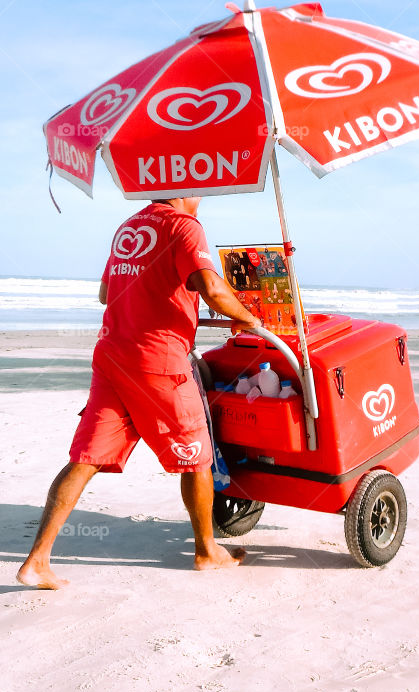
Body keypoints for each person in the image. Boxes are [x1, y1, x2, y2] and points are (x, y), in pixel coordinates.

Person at [17, 197, 261, 588]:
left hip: (113, 356)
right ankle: (206, 551)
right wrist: (250, 318)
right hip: (159, 361)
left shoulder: (128, 226)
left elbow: (104, 293)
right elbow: (212, 288)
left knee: (85, 459)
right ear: (185, 187)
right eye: (201, 191)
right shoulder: (184, 226)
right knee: (196, 454)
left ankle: (37, 561)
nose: (203, 199)